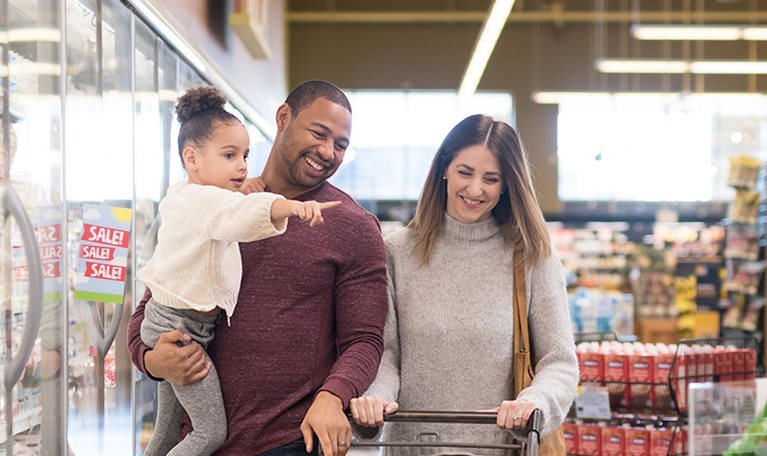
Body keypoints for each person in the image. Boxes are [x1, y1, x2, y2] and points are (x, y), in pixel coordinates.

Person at [127, 80, 388, 456]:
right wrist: (151, 360)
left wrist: (334, 395)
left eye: (341, 145)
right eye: (319, 133)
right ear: (284, 118)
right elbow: (159, 298)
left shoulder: (353, 226)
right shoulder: (209, 202)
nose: (327, 151)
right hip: (196, 442)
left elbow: (364, 340)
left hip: (287, 442)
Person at [349, 114, 579, 453]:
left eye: (491, 178)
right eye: (464, 172)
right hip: (413, 448)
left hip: (499, 449)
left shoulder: (531, 255)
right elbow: (387, 353)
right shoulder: (397, 251)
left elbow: (559, 361)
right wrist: (375, 400)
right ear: (444, 168)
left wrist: (535, 401)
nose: (475, 189)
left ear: (506, 185)